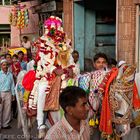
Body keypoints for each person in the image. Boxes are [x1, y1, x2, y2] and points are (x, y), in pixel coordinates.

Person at [0, 59, 15, 130]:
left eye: (6, 65)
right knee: (0, 109)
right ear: (1, 66)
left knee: (7, 109)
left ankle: (5, 124)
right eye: (4, 65)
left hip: (8, 93)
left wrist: (13, 94)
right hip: (1, 93)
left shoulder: (10, 74)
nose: (5, 66)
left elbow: (12, 85)